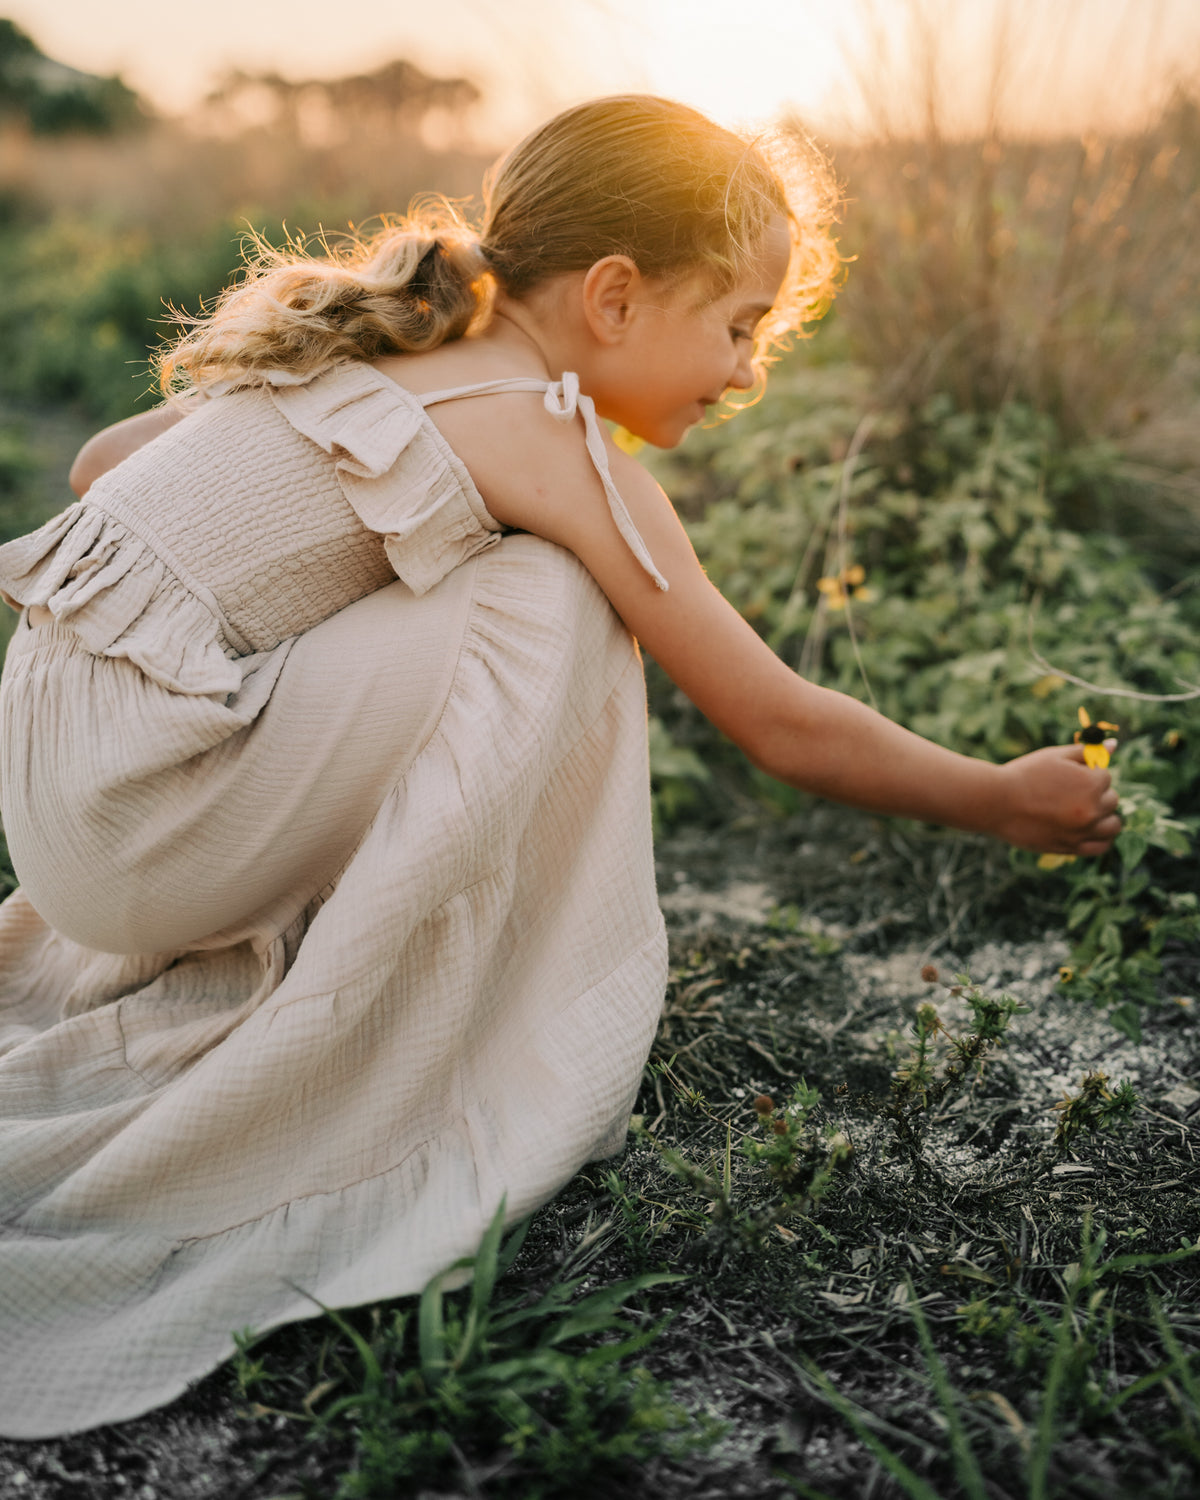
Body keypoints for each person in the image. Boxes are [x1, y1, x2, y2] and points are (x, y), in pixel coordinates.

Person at [0, 95, 1119, 1439]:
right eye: (740, 325)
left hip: (68, 798)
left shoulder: (367, 357)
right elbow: (779, 721)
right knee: (551, 595)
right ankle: (436, 1020)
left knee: (479, 571)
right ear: (614, 296)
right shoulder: (543, 435)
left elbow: (99, 465)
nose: (748, 372)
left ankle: (329, 934)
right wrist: (998, 798)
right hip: (145, 829)